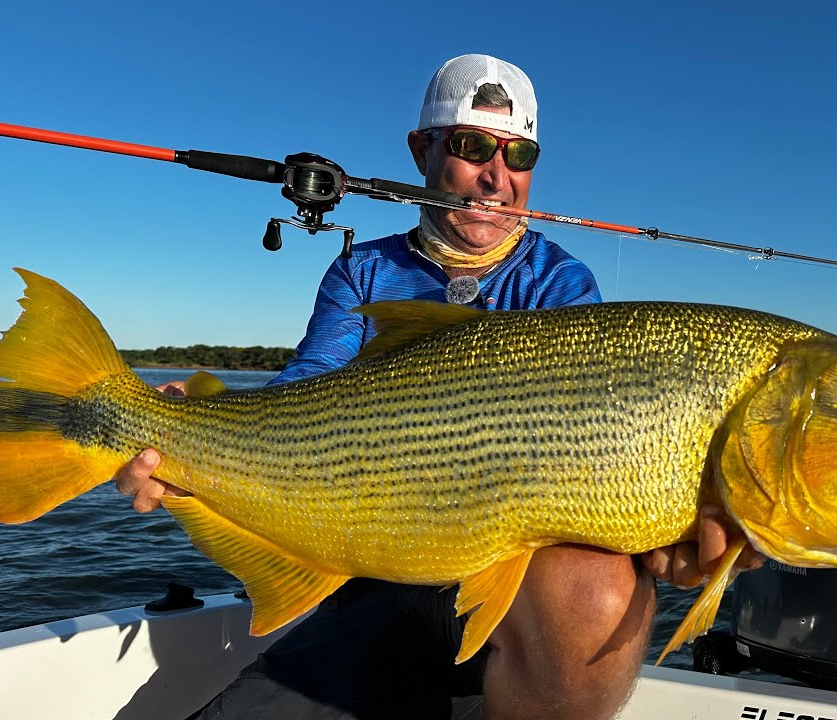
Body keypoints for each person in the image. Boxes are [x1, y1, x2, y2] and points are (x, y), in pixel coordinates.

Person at [115, 54, 760, 719]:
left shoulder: (560, 283)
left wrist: (662, 530)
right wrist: (188, 435)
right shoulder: (362, 272)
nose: (497, 176)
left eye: (519, 154)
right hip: (367, 570)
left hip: (506, 598)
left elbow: (594, 452)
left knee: (598, 589)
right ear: (421, 151)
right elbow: (304, 391)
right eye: (472, 146)